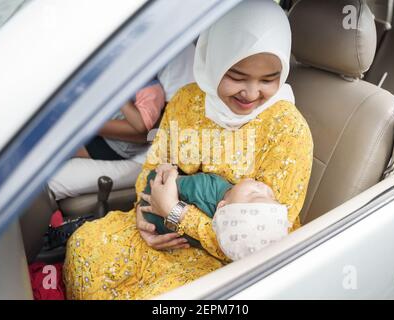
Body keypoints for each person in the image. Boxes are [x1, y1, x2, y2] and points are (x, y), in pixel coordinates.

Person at [63, 0, 313, 300]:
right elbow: (152, 167)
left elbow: (264, 240)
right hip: (162, 226)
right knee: (84, 247)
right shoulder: (187, 100)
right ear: (214, 58)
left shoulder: (287, 129)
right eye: (236, 76)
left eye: (268, 80)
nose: (250, 93)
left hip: (226, 257)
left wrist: (177, 215)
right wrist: (145, 217)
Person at [48, 44, 196, 201]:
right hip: (112, 137)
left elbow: (144, 129)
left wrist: (82, 125)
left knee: (54, 165)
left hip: (124, 148)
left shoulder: (152, 87)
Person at [140, 164, 291, 259]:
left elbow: (167, 184)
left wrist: (169, 171)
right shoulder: (230, 231)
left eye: (254, 194)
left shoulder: (204, 187)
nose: (264, 188)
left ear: (222, 207)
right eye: (272, 197)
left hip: (152, 211)